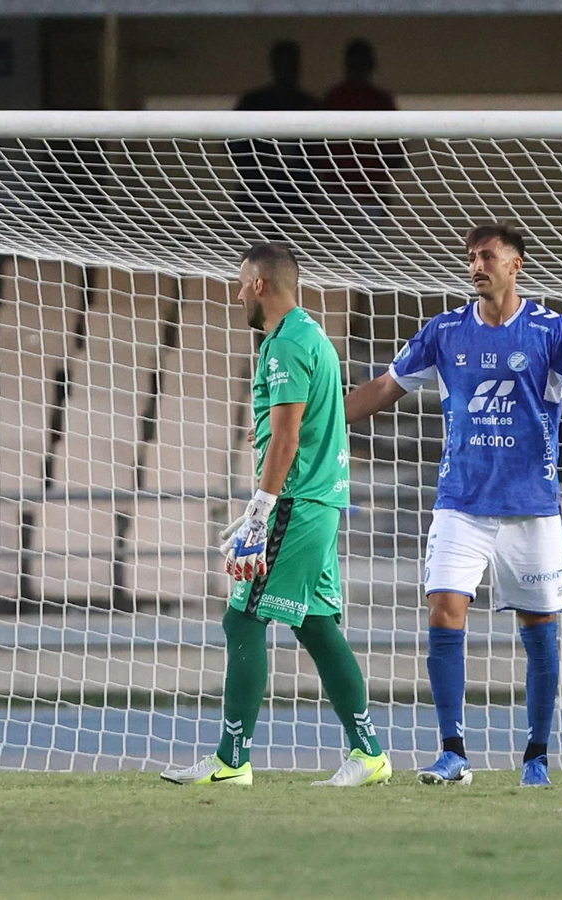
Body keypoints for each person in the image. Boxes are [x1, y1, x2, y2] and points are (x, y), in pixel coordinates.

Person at [344, 223, 562, 788]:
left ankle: (536, 757)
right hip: (461, 502)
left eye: (487, 256)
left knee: (539, 627)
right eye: (471, 256)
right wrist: (313, 421)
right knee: (444, 609)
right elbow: (384, 388)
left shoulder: (550, 329)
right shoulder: (445, 330)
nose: (476, 265)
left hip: (531, 506)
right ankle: (453, 754)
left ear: (516, 264)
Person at [161, 243, 389, 789]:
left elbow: (288, 436)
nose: (238, 294)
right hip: (322, 500)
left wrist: (259, 512)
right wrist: (265, 430)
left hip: (296, 503)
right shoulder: (313, 335)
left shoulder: (283, 343)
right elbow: (309, 418)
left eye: (242, 283)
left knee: (242, 619)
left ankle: (232, 760)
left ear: (261, 285)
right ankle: (369, 754)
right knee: (315, 624)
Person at [232, 40, 320, 217]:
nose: (289, 70)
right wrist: (258, 166)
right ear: (274, 65)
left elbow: (319, 151)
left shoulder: (309, 104)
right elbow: (234, 142)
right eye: (284, 64)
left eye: (292, 64)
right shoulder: (254, 102)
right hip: (258, 192)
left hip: (298, 193)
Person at [321, 39, 402, 215]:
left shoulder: (381, 101)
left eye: (363, 63)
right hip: (333, 194)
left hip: (370, 196)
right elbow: (317, 151)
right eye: (355, 63)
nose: (359, 69)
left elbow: (395, 154)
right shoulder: (334, 99)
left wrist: (381, 192)